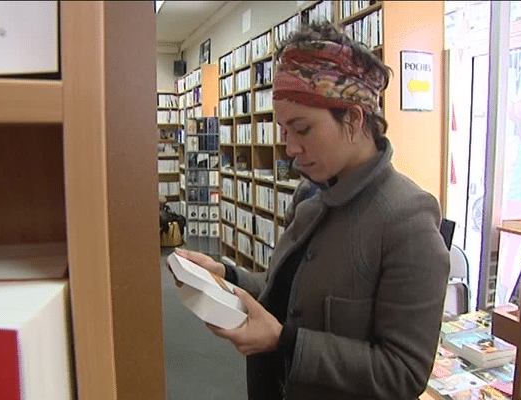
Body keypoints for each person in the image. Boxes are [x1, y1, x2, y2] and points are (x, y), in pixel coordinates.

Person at [169, 21, 450, 400]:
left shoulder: (407, 220)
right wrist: (228, 275)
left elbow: (403, 372)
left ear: (353, 119)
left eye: (302, 129)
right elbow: (287, 294)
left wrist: (285, 342)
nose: (289, 149)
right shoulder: (309, 196)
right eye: (284, 131)